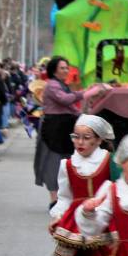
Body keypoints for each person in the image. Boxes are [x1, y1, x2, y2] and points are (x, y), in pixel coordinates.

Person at [49, 115, 121, 256]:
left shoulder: (109, 161)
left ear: (98, 140)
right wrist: (57, 215)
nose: (79, 142)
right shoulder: (67, 165)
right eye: (76, 137)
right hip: (79, 226)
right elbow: (64, 197)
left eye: (86, 137)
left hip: (106, 222)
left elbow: (120, 190)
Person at [38, 57, 85, 207]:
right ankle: (54, 199)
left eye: (66, 68)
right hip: (53, 129)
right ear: (54, 71)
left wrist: (83, 116)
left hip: (64, 128)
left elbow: (70, 108)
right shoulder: (52, 85)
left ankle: (63, 197)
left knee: (65, 162)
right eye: (62, 68)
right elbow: (65, 100)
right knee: (53, 163)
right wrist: (84, 93)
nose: (66, 71)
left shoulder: (62, 85)